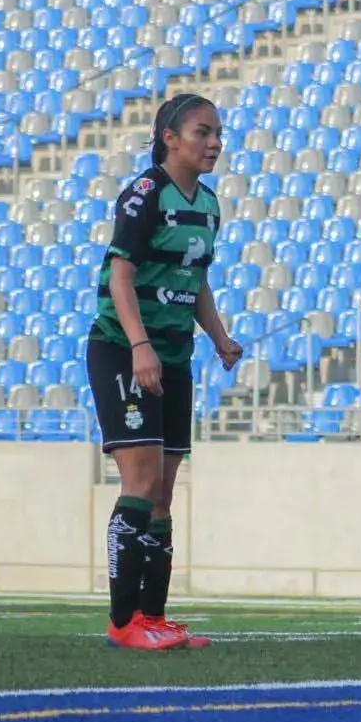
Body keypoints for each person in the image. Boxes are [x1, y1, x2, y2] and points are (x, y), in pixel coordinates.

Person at [87, 93, 243, 651]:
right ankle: (123, 621)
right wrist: (139, 346)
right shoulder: (144, 195)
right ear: (169, 137)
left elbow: (194, 278)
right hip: (124, 350)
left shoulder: (209, 204)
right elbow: (119, 278)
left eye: (218, 132)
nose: (215, 142)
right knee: (141, 482)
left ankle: (154, 618)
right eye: (203, 132)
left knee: (165, 494)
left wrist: (219, 338)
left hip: (175, 356)